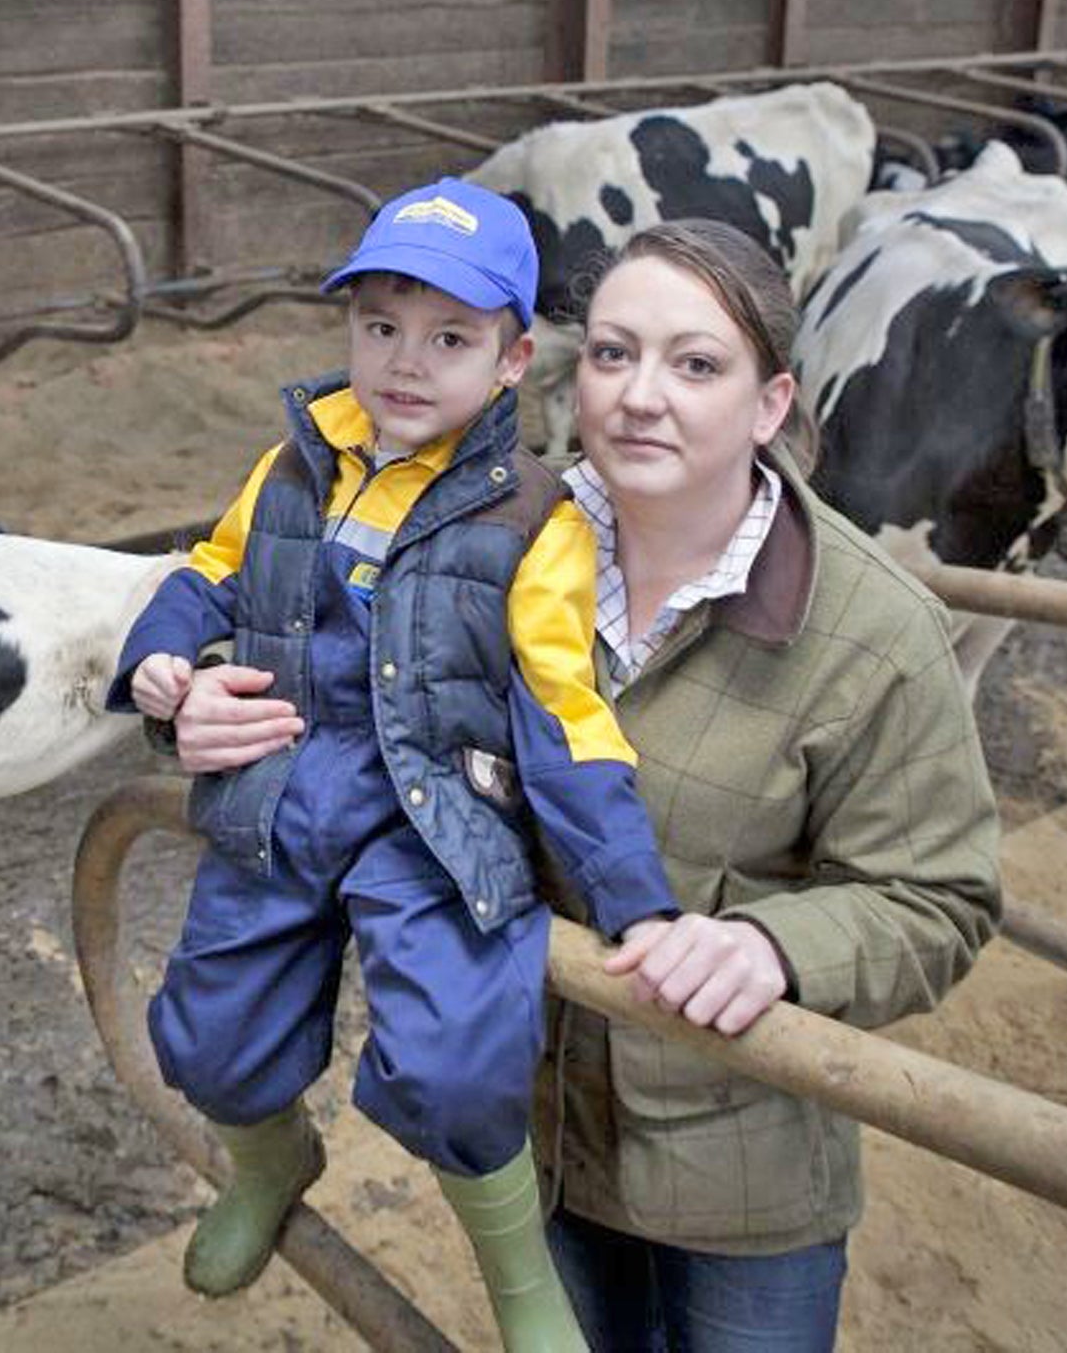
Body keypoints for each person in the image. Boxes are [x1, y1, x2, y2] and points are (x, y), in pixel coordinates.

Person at [107, 177, 685, 1353]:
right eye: (379, 326)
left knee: (457, 1070)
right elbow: (204, 572)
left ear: (514, 360)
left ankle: (520, 1282)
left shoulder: (537, 521)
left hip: (436, 824)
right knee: (206, 1035)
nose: (404, 363)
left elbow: (566, 715)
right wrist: (157, 663)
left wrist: (635, 899)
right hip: (280, 789)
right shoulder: (296, 462)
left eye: (449, 338)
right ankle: (269, 1165)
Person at [522, 218, 1002, 1351]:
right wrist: (197, 691)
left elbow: (937, 900)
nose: (640, 396)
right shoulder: (503, 549)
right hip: (536, 1131)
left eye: (694, 364)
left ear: (771, 403)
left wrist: (775, 947)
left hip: (741, 1173)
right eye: (610, 353)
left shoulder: (872, 631)